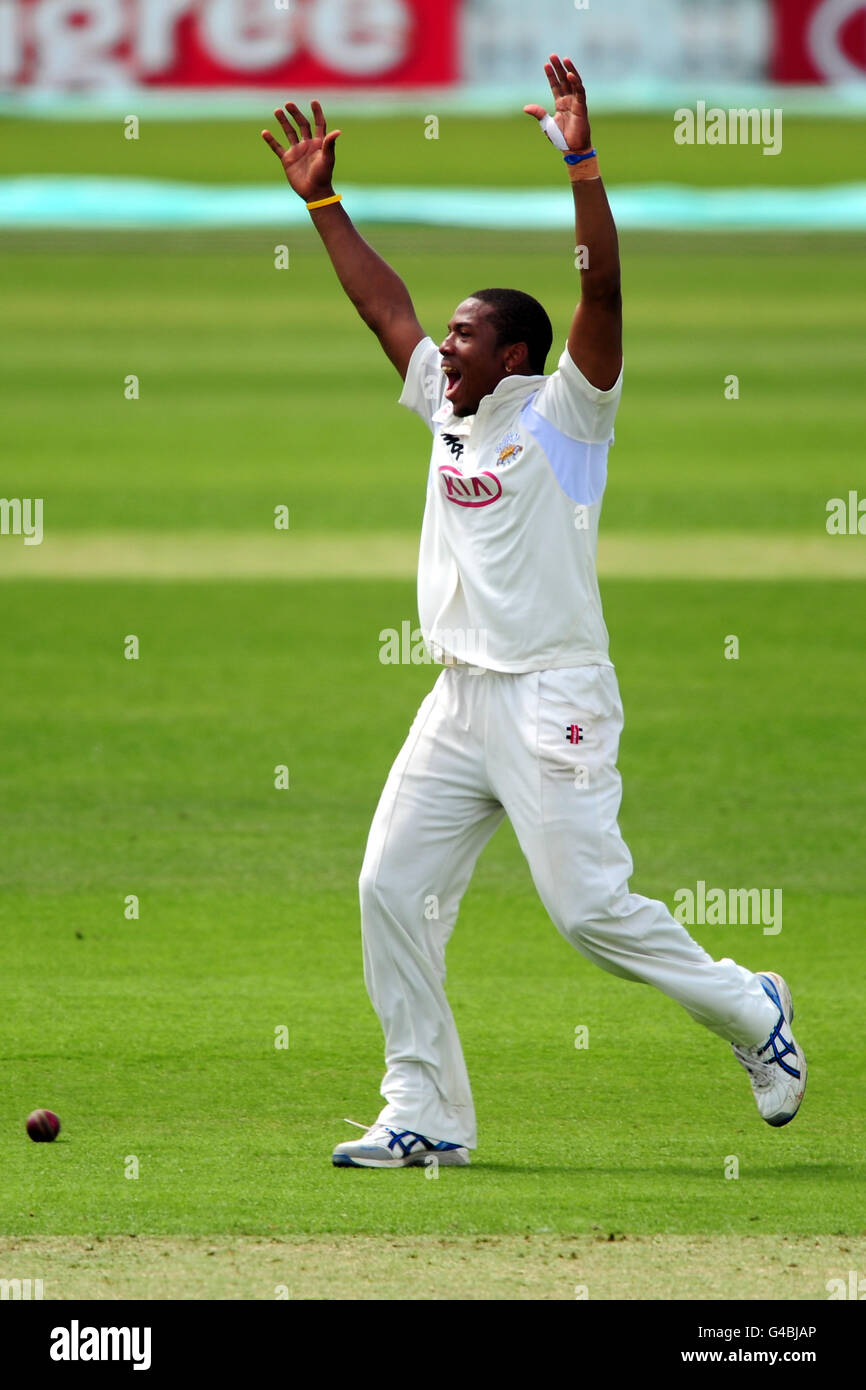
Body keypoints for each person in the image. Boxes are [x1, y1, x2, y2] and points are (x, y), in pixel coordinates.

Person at [262, 54, 806, 1170]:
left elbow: (599, 292)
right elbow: (381, 307)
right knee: (388, 886)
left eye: (462, 336)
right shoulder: (443, 406)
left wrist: (580, 161)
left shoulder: (567, 417)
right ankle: (426, 1110)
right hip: (458, 695)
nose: (439, 347)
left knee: (586, 914)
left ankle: (752, 1010)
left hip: (552, 691)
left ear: (512, 354)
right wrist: (322, 201)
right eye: (447, 337)